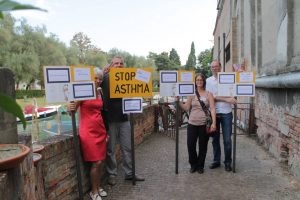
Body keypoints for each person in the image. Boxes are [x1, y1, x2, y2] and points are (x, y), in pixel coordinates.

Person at [101, 56, 145, 186]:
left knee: (128, 147)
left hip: (124, 118)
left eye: (121, 63)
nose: (119, 65)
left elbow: (141, 83)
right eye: (116, 63)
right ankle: (112, 174)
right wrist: (103, 72)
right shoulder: (104, 77)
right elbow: (92, 81)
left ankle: (130, 173)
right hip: (110, 119)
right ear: (111, 65)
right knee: (110, 149)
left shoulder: (128, 77)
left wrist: (143, 76)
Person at [68, 68, 107, 200]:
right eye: (95, 78)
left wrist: (106, 131)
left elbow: (101, 112)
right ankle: (93, 191)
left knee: (101, 162)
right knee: (96, 162)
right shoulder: (83, 92)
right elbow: (71, 110)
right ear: (90, 78)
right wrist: (70, 107)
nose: (97, 81)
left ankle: (98, 185)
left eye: (99, 79)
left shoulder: (100, 93)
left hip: (100, 130)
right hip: (88, 131)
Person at [178, 73, 216, 174]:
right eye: (197, 80)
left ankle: (200, 166)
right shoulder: (191, 94)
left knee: (203, 146)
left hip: (204, 124)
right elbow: (186, 107)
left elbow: (212, 109)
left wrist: (214, 123)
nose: (199, 81)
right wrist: (178, 101)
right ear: (195, 82)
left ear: (204, 82)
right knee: (190, 145)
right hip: (192, 123)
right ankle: (193, 164)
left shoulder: (209, 94)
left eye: (201, 80)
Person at [206, 60, 237, 172]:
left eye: (216, 66)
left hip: (226, 113)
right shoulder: (208, 81)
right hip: (213, 113)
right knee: (215, 139)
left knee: (227, 140)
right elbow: (210, 98)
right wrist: (226, 98)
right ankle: (216, 160)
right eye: (212, 67)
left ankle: (228, 162)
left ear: (220, 67)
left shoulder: (228, 78)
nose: (214, 68)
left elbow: (233, 95)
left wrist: (228, 98)